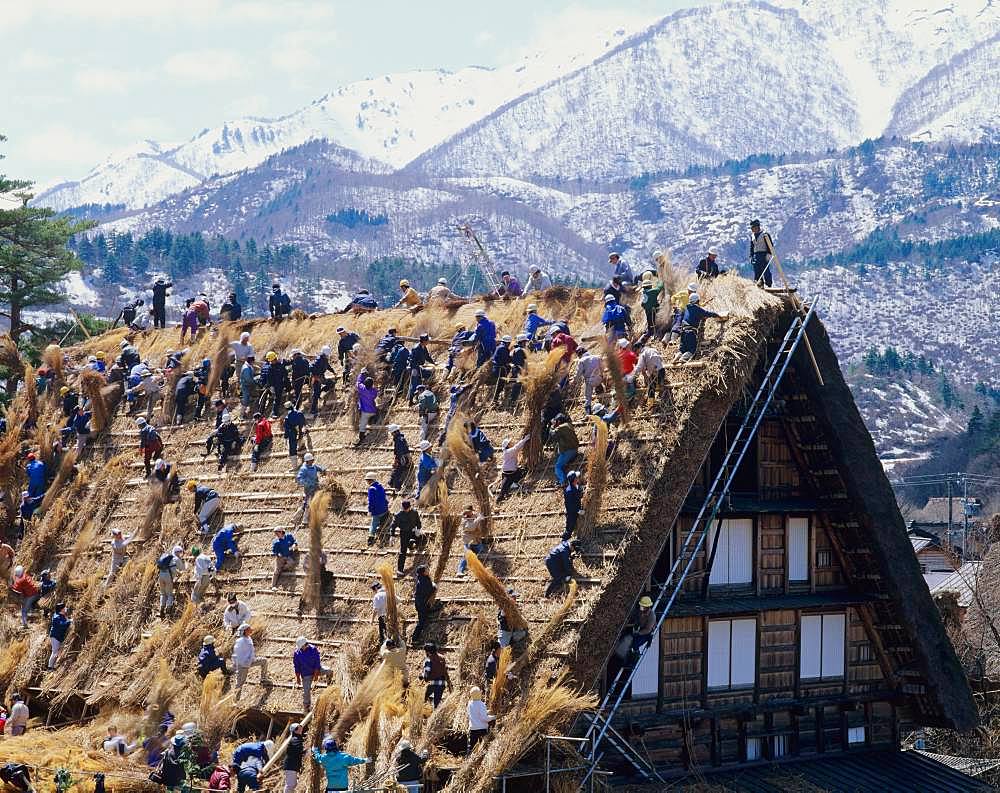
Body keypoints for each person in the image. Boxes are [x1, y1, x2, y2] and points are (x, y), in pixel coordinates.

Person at [673, 293, 726, 364]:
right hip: (690, 333)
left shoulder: (687, 308)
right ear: (697, 301)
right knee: (692, 350)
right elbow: (708, 313)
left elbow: (693, 316)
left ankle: (677, 356)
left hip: (683, 332)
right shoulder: (697, 309)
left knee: (682, 349)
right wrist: (718, 316)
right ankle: (683, 358)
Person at [293, 636, 333, 711]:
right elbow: (297, 666)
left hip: (316, 670)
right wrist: (298, 678)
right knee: (306, 692)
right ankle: (306, 707)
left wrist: (316, 675)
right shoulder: (297, 653)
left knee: (329, 671)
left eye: (301, 647)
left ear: (305, 645)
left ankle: (329, 684)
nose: (300, 648)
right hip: (306, 675)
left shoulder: (313, 649)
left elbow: (317, 663)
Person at [232, 623, 270, 693]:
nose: (251, 630)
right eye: (249, 629)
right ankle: (235, 699)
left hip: (251, 661)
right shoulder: (240, 641)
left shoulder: (248, 638)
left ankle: (263, 678)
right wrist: (243, 663)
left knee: (264, 661)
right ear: (245, 631)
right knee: (240, 683)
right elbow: (237, 654)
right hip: (243, 664)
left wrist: (250, 659)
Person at [156, 545, 186, 618]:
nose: (180, 554)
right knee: (169, 594)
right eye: (180, 552)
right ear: (178, 552)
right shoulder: (176, 559)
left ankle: (161, 611)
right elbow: (183, 569)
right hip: (168, 577)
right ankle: (168, 611)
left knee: (163, 594)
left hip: (160, 576)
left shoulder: (167, 557)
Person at [497, 436, 529, 501]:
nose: (512, 443)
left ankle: (513, 483)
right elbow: (516, 447)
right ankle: (499, 499)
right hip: (508, 473)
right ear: (508, 445)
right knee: (504, 489)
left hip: (513, 471)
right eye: (510, 443)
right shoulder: (508, 451)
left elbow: (519, 448)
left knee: (524, 471)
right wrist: (525, 439)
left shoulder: (509, 451)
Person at [421, 642, 452, 708]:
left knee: (423, 700)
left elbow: (426, 677)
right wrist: (449, 684)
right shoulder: (442, 658)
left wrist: (422, 676)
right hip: (442, 684)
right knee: (436, 705)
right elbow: (445, 672)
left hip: (433, 684)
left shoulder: (428, 660)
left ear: (428, 652)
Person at [550, 415, 579, 486]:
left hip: (568, 451)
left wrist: (551, 426)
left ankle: (562, 481)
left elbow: (553, 434)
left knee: (558, 466)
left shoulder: (561, 427)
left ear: (559, 421)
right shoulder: (569, 425)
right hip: (575, 449)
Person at [458, 506, 486, 576]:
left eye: (470, 511)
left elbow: (477, 522)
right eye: (467, 511)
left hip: (475, 540)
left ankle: (477, 568)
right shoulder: (464, 519)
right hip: (468, 540)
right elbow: (471, 527)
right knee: (467, 555)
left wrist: (480, 516)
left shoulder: (473, 516)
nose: (469, 513)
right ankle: (460, 571)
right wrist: (478, 519)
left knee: (480, 550)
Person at [296, 453, 326, 519]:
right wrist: (308, 482)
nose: (312, 461)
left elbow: (320, 468)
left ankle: (310, 515)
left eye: (312, 460)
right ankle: (304, 518)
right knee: (308, 502)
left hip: (315, 486)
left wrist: (323, 469)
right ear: (307, 461)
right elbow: (299, 479)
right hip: (309, 488)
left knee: (314, 500)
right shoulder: (304, 469)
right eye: (311, 460)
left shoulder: (313, 466)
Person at [411, 565, 436, 645]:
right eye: (426, 569)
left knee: (428, 612)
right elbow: (429, 591)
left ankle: (428, 612)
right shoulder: (423, 581)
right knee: (421, 622)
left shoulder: (422, 578)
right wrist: (434, 587)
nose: (428, 570)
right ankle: (414, 638)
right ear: (423, 572)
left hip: (421, 603)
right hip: (421, 604)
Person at [407, 334, 435, 404]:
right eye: (427, 340)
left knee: (428, 374)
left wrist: (433, 363)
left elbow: (427, 356)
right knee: (414, 384)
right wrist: (417, 366)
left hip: (419, 367)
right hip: (414, 369)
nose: (428, 341)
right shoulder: (416, 348)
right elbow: (411, 360)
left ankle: (424, 392)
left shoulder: (424, 347)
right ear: (424, 341)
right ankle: (410, 400)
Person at [467, 686, 495, 753]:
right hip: (482, 729)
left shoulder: (469, 704)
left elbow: (475, 713)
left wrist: (486, 711)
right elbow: (484, 718)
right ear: (479, 694)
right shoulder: (481, 704)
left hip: (473, 728)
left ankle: (468, 760)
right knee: (483, 747)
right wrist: (493, 717)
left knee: (472, 747)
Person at [309, 346, 335, 418]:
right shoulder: (318, 360)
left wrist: (333, 371)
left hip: (321, 376)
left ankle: (322, 391)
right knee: (316, 394)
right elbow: (311, 368)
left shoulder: (324, 359)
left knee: (331, 383)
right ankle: (313, 409)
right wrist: (315, 377)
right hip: (316, 377)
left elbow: (328, 366)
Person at [386, 424, 411, 492]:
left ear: (394, 432)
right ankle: (392, 483)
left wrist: (396, 461)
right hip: (404, 458)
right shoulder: (401, 439)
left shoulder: (398, 440)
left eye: (392, 433)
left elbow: (400, 453)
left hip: (402, 459)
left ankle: (396, 486)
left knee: (398, 472)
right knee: (397, 471)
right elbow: (406, 450)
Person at [749, 219, 774, 286]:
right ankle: (759, 284)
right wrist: (751, 256)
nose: (752, 229)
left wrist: (769, 254)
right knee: (757, 270)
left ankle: (769, 284)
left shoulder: (765, 234)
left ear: (757, 227)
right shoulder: (752, 236)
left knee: (765, 270)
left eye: (752, 228)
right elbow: (752, 247)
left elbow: (770, 245)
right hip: (756, 255)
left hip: (763, 254)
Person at [282, 723, 306, 793]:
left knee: (293, 784)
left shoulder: (298, 738)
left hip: (292, 764)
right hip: (291, 765)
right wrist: (306, 750)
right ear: (295, 730)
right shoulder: (295, 739)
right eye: (299, 728)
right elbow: (299, 749)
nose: (301, 728)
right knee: (290, 785)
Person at [48, 602, 71, 670]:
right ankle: (50, 667)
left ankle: (53, 666)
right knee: (55, 651)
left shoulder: (62, 615)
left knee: (57, 652)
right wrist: (69, 622)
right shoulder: (57, 617)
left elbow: (66, 621)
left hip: (59, 636)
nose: (66, 609)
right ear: (61, 609)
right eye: (64, 608)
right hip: (55, 636)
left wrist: (69, 620)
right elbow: (62, 624)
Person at [356, 373, 378, 444]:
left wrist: (362, 374)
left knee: (362, 425)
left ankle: (361, 438)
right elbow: (375, 394)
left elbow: (358, 382)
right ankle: (373, 419)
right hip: (373, 410)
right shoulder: (374, 391)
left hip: (365, 411)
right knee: (372, 416)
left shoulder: (362, 389)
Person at [490, 335, 512, 404]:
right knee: (499, 385)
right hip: (500, 369)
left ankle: (494, 400)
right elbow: (506, 360)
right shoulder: (503, 349)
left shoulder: (499, 347)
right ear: (507, 342)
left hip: (496, 368)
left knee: (498, 385)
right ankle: (494, 401)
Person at [563, 470, 583, 539]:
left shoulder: (575, 486)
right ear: (574, 480)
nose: (578, 478)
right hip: (571, 514)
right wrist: (578, 511)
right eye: (577, 477)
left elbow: (579, 494)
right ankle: (564, 545)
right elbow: (570, 506)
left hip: (576, 512)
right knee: (569, 530)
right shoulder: (569, 492)